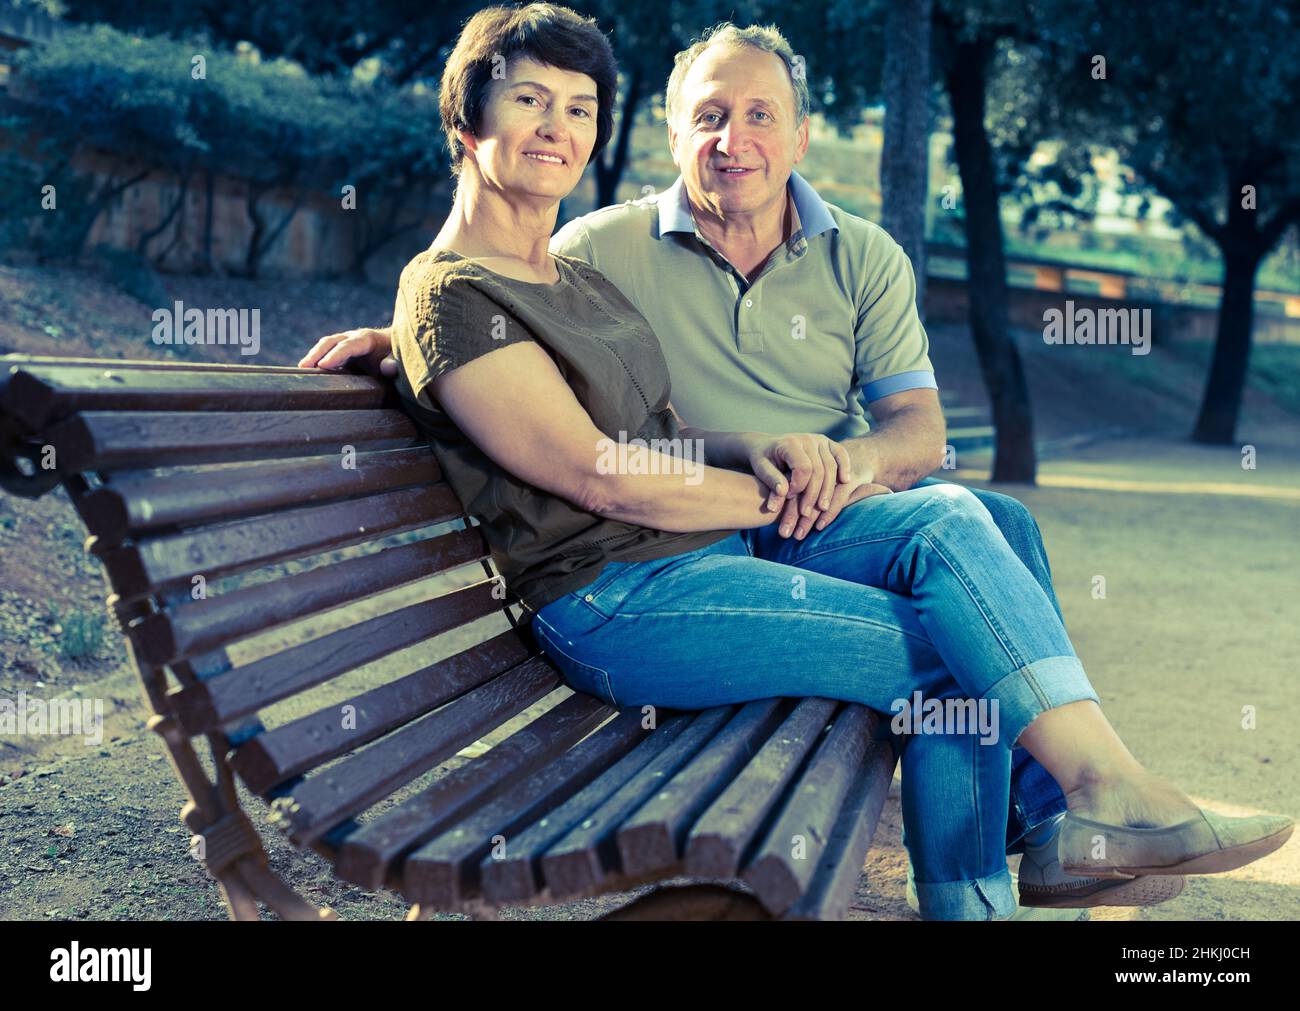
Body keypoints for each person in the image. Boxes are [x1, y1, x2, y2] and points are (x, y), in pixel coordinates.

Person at [299, 3, 1293, 920]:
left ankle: (1074, 818)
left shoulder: (565, 274)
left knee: (958, 537)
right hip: (615, 597)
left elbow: (647, 427)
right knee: (955, 649)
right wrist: (762, 491)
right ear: (466, 127)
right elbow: (596, 471)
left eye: (577, 106)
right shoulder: (473, 285)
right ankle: (1062, 826)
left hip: (700, 555)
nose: (556, 125)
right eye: (527, 102)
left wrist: (761, 450)